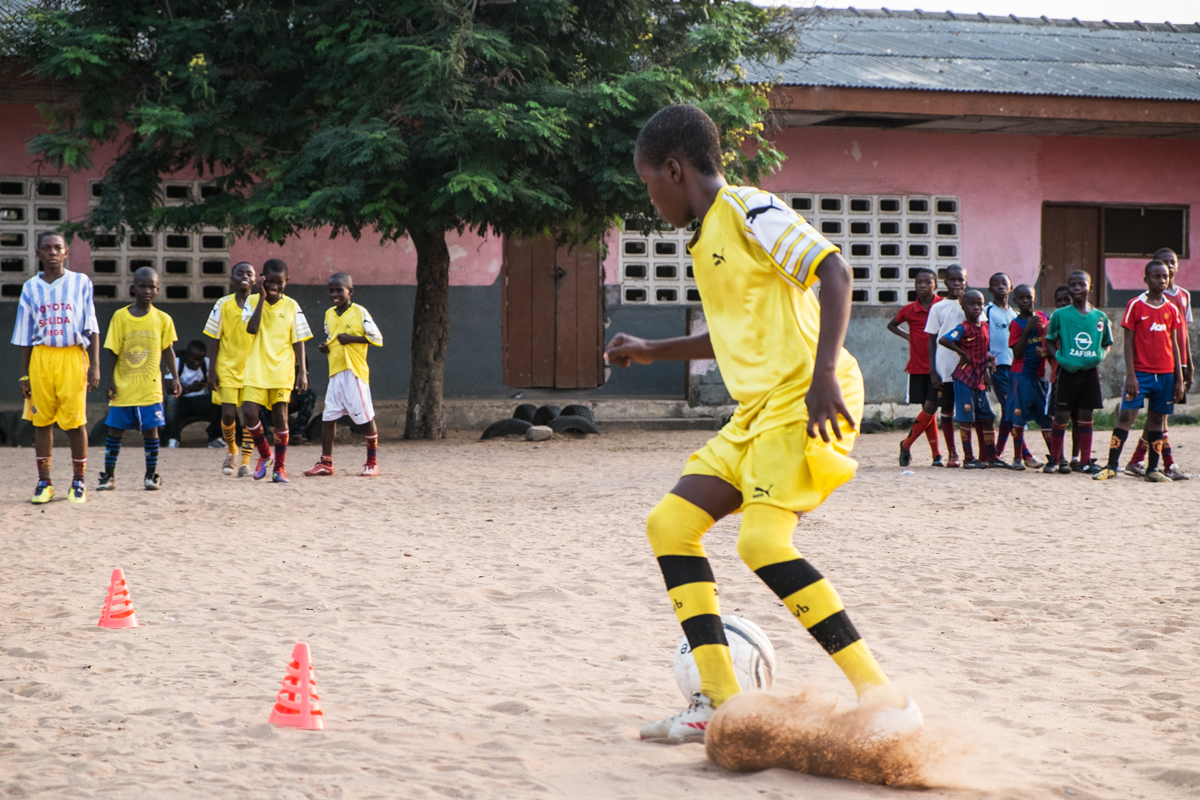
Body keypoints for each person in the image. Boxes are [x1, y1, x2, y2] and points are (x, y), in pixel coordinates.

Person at [604, 105, 921, 744]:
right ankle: (720, 704)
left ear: (674, 168)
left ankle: (884, 697)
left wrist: (824, 373)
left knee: (761, 544)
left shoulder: (750, 211)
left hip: (805, 397)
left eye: (648, 183)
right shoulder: (705, 237)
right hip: (757, 413)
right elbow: (729, 336)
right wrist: (652, 348)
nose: (650, 196)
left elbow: (834, 270)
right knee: (671, 524)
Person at [11, 231, 101, 504]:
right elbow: (25, 334)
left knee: (76, 422)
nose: (52, 252)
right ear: (37, 253)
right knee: (42, 421)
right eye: (46, 248)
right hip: (41, 358)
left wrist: (94, 365)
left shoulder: (81, 282)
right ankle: (44, 482)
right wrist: (24, 373)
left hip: (73, 357)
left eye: (57, 248)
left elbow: (92, 326)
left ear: (66, 252)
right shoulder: (30, 288)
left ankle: (79, 482)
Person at [1094, 260, 1185, 482]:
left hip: (1165, 375)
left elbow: (1175, 345)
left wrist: (1179, 379)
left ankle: (1152, 469)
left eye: (1165, 276)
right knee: (1126, 416)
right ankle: (1111, 466)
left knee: (1157, 420)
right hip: (1141, 375)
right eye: (1156, 276)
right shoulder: (1136, 305)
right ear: (1146, 280)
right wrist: (1131, 376)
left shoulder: (1171, 309)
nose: (1162, 280)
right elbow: (1128, 343)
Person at [97, 267, 181, 491]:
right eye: (142, 286)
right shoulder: (120, 317)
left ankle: (150, 475)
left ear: (157, 290)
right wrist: (110, 381)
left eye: (151, 287)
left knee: (151, 431)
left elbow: (168, 350)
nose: (147, 290)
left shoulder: (163, 319)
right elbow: (112, 351)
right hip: (124, 387)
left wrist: (175, 377)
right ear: (133, 287)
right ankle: (109, 476)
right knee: (115, 430)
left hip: (149, 388)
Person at [304, 273, 383, 477]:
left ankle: (372, 462)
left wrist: (353, 338)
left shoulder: (359, 312)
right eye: (331, 290)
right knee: (328, 417)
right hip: (336, 372)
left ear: (350, 291)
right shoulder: (329, 314)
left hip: (354, 372)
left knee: (366, 418)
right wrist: (326, 348)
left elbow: (377, 338)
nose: (335, 294)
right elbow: (331, 339)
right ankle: (326, 463)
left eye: (340, 290)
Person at [241, 258, 311, 483]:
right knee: (250, 413)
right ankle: (264, 454)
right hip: (256, 367)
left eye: (278, 283)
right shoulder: (252, 301)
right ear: (261, 279)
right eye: (269, 282)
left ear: (286, 282)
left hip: (282, 369)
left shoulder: (292, 305)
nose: (273, 287)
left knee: (280, 416)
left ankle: (279, 468)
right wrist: (261, 297)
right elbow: (251, 329)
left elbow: (298, 338)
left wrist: (302, 371)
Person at [1124, 247, 1191, 480]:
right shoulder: (1146, 300)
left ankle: (1139, 460)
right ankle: (1166, 462)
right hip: (1154, 365)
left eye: (1172, 263)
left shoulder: (1182, 296)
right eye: (1163, 264)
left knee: (1160, 415)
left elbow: (1184, 335)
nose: (1168, 268)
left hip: (1175, 363)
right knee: (1158, 417)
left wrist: (1187, 366)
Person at [1044, 271, 1112, 475]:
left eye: (1081, 284)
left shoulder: (1100, 316)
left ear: (1089, 288)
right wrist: (1060, 358)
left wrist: (1100, 356)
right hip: (1067, 372)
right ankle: (1055, 459)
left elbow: (1107, 343)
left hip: (1090, 373)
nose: (1076, 288)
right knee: (1061, 415)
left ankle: (1084, 461)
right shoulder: (1060, 315)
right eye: (1072, 284)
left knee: (1085, 415)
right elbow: (1049, 340)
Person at [204, 261, 257, 477]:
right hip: (226, 367)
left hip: (253, 369)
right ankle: (231, 450)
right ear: (231, 279)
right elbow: (214, 339)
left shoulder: (260, 304)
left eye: (249, 273)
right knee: (227, 415)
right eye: (240, 272)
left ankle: (245, 461)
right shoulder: (222, 304)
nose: (244, 276)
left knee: (251, 416)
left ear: (255, 279)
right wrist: (211, 371)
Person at [887, 269, 942, 466]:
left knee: (930, 407)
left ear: (935, 285)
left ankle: (907, 443)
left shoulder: (942, 305)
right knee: (928, 410)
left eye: (927, 282)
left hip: (939, 366)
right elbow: (892, 324)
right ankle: (936, 455)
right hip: (918, 365)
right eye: (919, 282)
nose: (922, 286)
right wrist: (907, 336)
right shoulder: (910, 310)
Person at [939, 290, 998, 468]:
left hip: (978, 378)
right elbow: (944, 339)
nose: (976, 307)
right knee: (966, 418)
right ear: (963, 306)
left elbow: (982, 351)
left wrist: (988, 366)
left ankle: (991, 456)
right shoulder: (963, 328)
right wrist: (962, 354)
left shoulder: (985, 326)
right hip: (964, 377)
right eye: (971, 304)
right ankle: (968, 458)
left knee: (987, 416)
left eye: (979, 304)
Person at [983, 273, 1033, 464]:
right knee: (1010, 407)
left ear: (1010, 288)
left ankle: (996, 452)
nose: (1000, 286)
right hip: (997, 367)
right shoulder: (987, 311)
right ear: (990, 290)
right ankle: (1025, 454)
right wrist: (985, 367)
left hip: (1016, 367)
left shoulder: (1015, 315)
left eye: (1004, 283)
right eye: (995, 284)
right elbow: (983, 338)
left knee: (1009, 409)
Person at [1006, 285, 1055, 470]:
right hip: (1021, 376)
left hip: (1040, 376)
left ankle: (1055, 456)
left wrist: (1045, 352)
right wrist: (1027, 330)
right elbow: (1017, 353)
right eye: (1021, 298)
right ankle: (1018, 458)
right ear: (1015, 301)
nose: (1026, 301)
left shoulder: (1044, 317)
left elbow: (1049, 341)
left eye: (1029, 297)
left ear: (1035, 298)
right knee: (1018, 418)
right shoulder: (1016, 324)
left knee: (1046, 418)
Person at [923, 264, 968, 467]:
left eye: (960, 280)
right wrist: (933, 370)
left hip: (968, 366)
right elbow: (932, 340)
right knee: (947, 408)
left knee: (969, 410)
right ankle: (952, 453)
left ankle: (973, 454)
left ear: (966, 282)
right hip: (945, 365)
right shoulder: (938, 307)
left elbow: (980, 331)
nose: (956, 283)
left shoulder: (972, 303)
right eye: (952, 280)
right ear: (945, 282)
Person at [164, 339, 221, 447]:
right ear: (187, 355)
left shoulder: (207, 363)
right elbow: (168, 389)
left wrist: (210, 382)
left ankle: (215, 438)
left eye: (200, 360)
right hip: (182, 402)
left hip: (201, 401)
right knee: (171, 399)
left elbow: (217, 383)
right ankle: (172, 438)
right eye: (193, 359)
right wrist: (189, 389)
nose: (197, 363)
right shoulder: (176, 362)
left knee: (219, 398)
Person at [1045, 284, 1077, 469]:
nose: (1063, 303)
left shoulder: (1083, 320)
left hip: (1081, 376)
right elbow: (1047, 349)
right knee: (1059, 418)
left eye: (1067, 299)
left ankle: (1076, 458)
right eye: (1060, 300)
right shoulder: (1052, 323)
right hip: (1058, 376)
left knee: (1078, 418)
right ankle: (1059, 457)